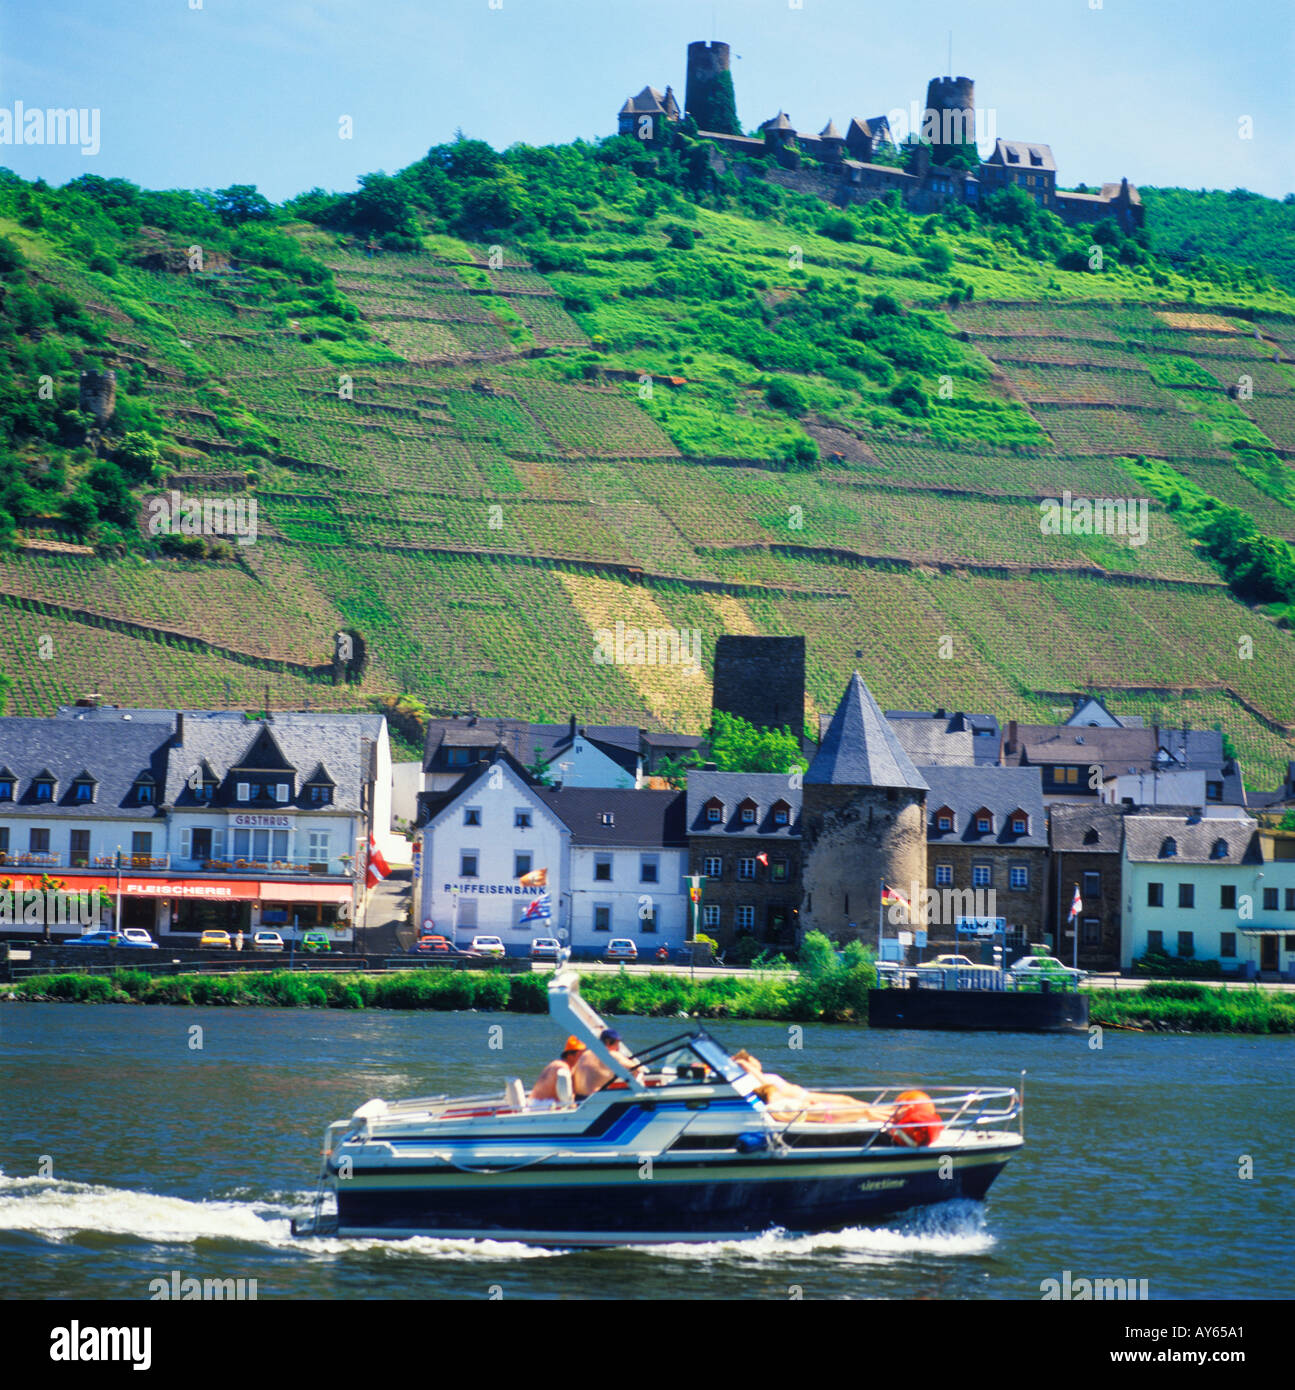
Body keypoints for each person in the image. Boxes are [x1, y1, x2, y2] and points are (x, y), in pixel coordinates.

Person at [731, 1049, 891, 1124]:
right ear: (748, 1066)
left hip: (804, 1096)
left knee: (847, 1099)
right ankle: (888, 1114)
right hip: (803, 1099)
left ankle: (885, 1111)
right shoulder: (760, 1081)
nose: (756, 1061)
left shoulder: (763, 1077)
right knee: (847, 1101)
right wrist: (744, 1064)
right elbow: (770, 1087)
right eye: (752, 1060)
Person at [572, 1028, 644, 1098]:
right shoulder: (611, 1054)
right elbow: (638, 1069)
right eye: (617, 1044)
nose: (618, 1048)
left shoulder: (585, 1054)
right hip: (596, 1100)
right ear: (608, 1042)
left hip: (578, 1099)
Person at [530, 1036, 586, 1105]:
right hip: (543, 1108)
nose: (584, 1057)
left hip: (535, 1104)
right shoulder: (563, 1068)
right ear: (570, 1056)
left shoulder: (555, 1064)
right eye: (581, 1054)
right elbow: (568, 1099)